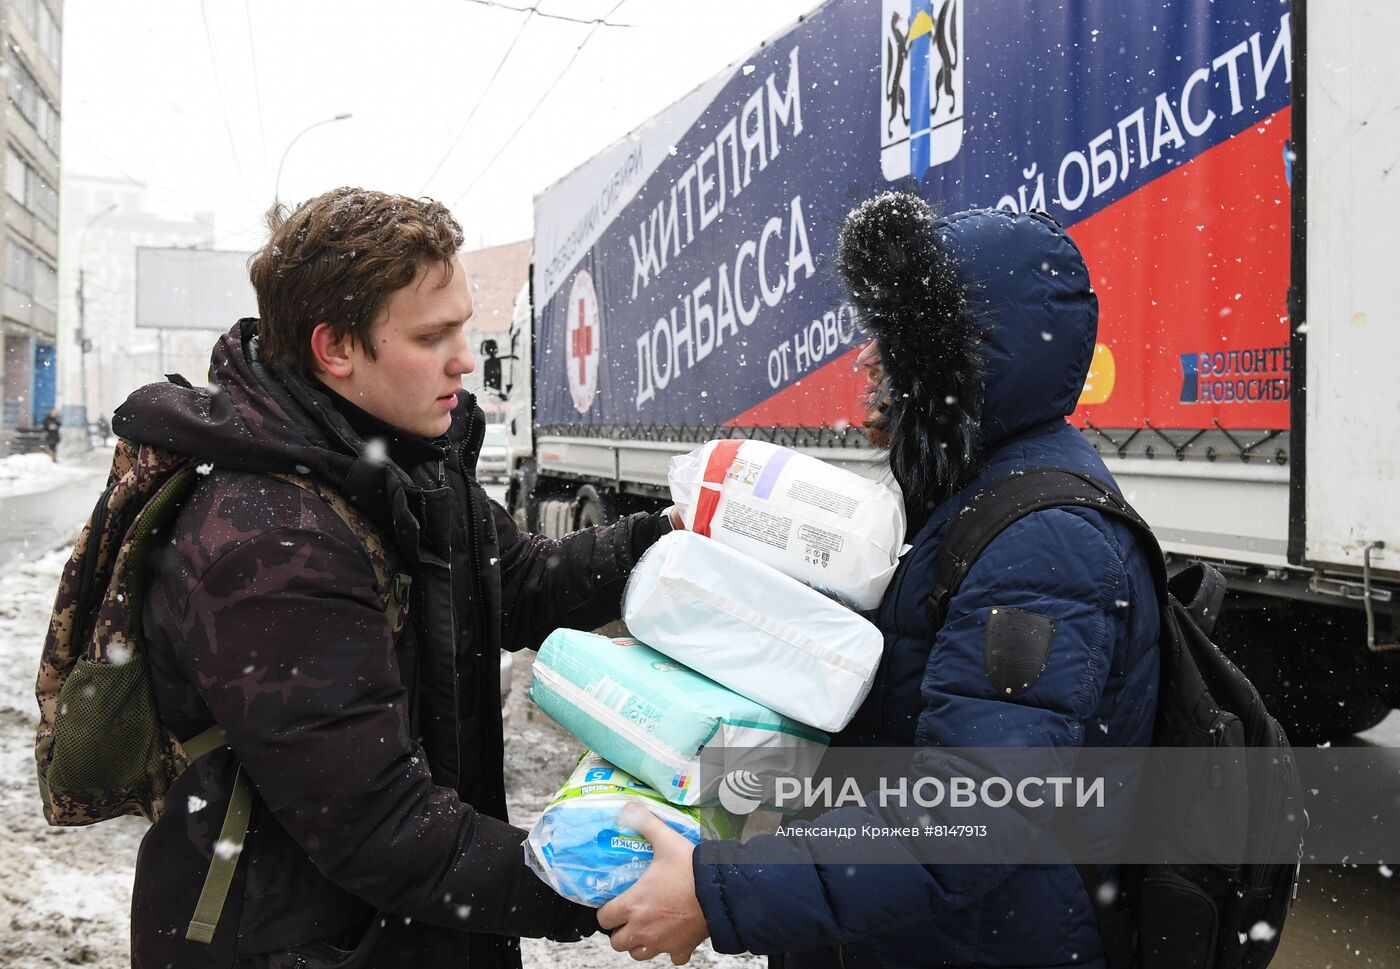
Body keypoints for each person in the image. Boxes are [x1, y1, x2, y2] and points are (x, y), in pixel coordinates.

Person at [113, 187, 678, 969]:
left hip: (397, 931)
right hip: (296, 945)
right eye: (433, 335)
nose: (465, 358)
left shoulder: (400, 465)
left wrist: (671, 540)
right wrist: (591, 887)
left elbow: (520, 582)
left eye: (465, 328)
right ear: (335, 348)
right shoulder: (267, 538)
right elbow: (380, 827)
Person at [597, 197, 1162, 967]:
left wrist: (724, 892)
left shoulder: (1044, 540)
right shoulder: (967, 494)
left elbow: (971, 810)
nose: (866, 361)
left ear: (953, 358)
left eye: (890, 340)